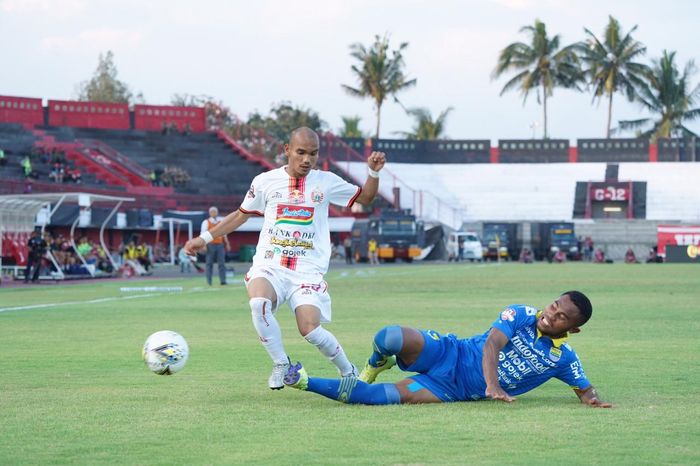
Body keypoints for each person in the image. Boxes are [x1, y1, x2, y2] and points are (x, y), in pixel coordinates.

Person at [184, 127, 386, 389]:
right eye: (300, 152)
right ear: (286, 150)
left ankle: (348, 371)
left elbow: (366, 197)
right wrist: (204, 238)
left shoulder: (326, 182)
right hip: (271, 265)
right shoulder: (265, 181)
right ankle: (281, 363)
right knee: (258, 303)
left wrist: (373, 171)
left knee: (310, 330)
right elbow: (240, 215)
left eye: (312, 154)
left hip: (307, 270)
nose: (306, 160)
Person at [283, 291, 612, 409]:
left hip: (448, 389)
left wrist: (592, 398)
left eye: (560, 317)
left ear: (572, 329)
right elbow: (492, 345)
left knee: (373, 399)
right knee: (390, 336)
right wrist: (492, 385)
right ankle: (373, 365)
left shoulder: (563, 359)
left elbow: (584, 388)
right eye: (553, 305)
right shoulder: (521, 313)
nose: (550, 315)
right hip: (450, 352)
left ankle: (302, 381)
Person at [200, 206, 230, 285]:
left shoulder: (220, 222)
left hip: (220, 244)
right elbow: (203, 234)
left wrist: (227, 243)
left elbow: (224, 233)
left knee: (222, 263)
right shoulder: (206, 222)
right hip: (210, 244)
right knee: (209, 263)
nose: (214, 213)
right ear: (210, 213)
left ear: (217, 212)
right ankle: (209, 281)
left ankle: (223, 281)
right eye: (212, 212)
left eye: (215, 212)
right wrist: (204, 245)